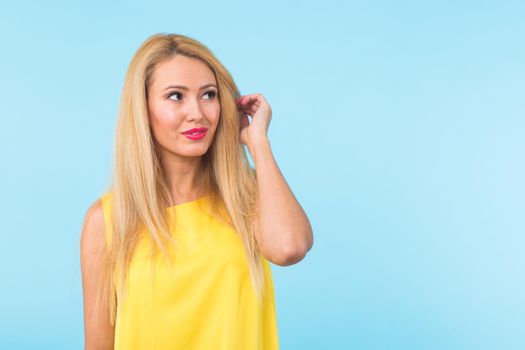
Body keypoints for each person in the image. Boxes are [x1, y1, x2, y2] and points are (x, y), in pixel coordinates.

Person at [80, 33, 313, 349]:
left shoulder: (248, 196)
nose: (198, 113)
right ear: (142, 108)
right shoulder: (107, 220)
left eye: (208, 95)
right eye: (176, 96)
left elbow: (289, 248)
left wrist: (258, 143)